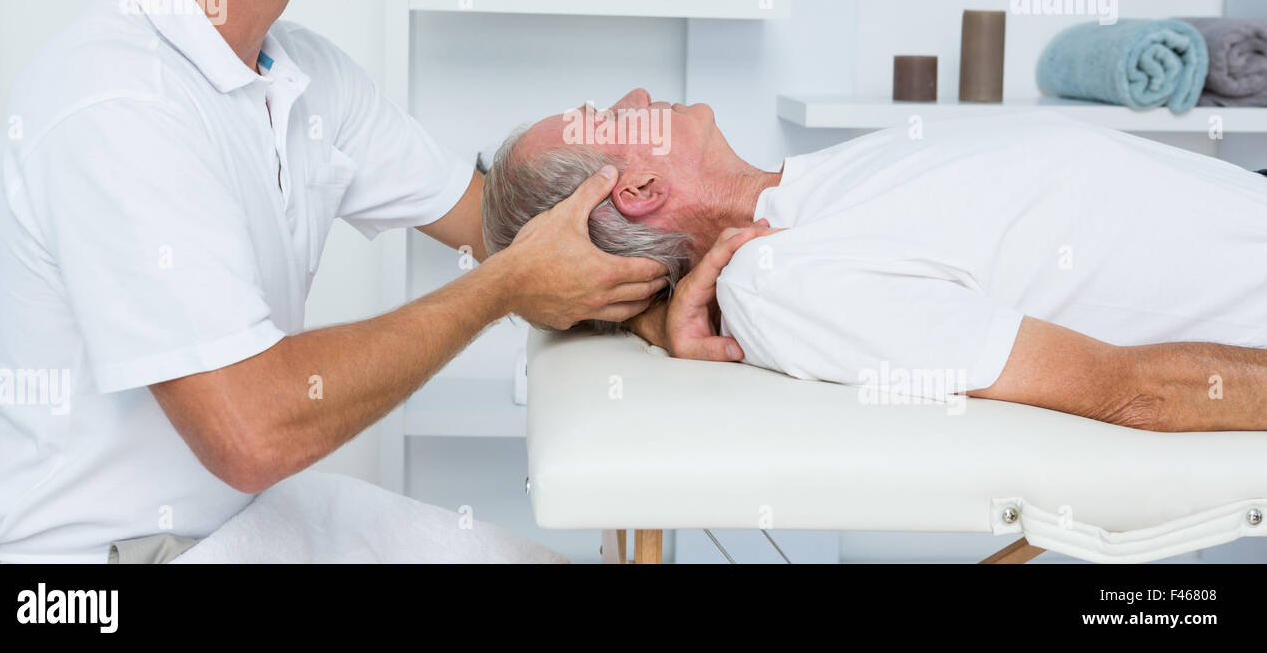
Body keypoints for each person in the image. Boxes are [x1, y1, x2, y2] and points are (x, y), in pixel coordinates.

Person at [0, 0, 671, 564]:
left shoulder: (304, 75)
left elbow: (488, 217)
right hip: (103, 557)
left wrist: (666, 281)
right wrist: (502, 289)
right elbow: (251, 430)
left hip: (241, 514)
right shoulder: (114, 102)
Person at [482, 87, 1267, 433]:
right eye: (605, 116)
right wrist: (658, 312)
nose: (636, 93)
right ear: (641, 187)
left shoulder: (797, 198)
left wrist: (655, 312)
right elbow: (1135, 397)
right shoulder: (782, 277)